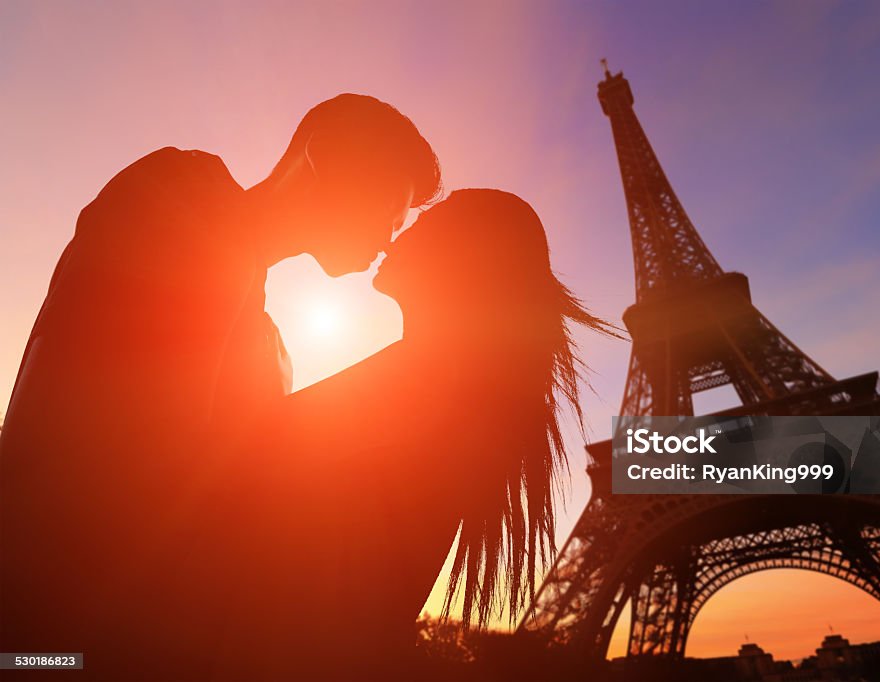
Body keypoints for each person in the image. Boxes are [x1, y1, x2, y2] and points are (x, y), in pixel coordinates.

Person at [0, 94, 440, 680]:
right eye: (393, 209)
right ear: (328, 155)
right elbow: (165, 467)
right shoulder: (180, 193)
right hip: (48, 633)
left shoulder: (269, 344)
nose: (390, 238)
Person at [206, 189, 616, 680]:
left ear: (461, 256)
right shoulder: (449, 387)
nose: (397, 236)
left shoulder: (427, 386)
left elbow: (243, 473)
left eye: (423, 225)